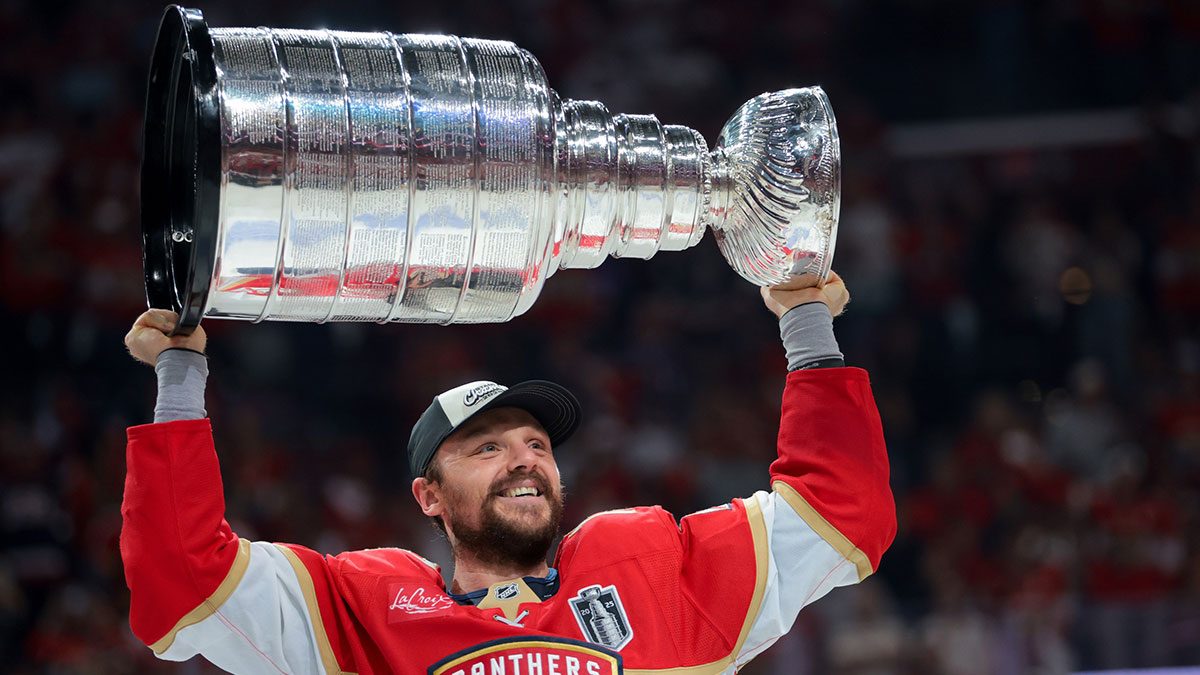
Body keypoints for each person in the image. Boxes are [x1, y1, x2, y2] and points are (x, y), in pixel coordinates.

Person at [120, 274, 895, 674]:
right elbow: (184, 577)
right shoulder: (361, 611)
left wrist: (805, 320)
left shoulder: (650, 567)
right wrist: (182, 373)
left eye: (535, 443)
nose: (525, 457)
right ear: (428, 495)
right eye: (486, 448)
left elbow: (841, 512)